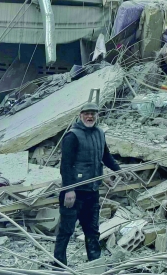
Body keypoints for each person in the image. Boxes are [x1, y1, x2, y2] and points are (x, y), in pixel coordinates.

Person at [53, 102, 120, 267]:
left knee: (92, 230)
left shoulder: (99, 133)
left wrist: (119, 170)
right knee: (66, 231)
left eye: (93, 114)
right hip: (74, 192)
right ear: (80, 115)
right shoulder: (72, 136)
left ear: (97, 116)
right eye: (86, 114)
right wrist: (69, 190)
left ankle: (95, 264)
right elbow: (66, 166)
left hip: (92, 191)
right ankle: (58, 265)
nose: (90, 117)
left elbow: (105, 156)